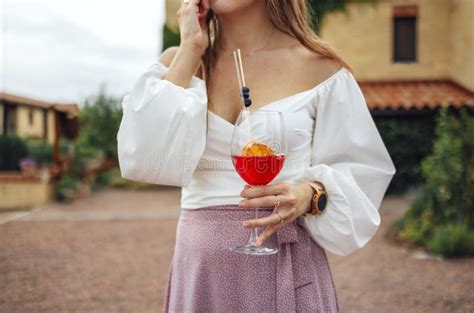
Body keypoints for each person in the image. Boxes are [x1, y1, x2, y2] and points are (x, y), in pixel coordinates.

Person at [116, 0, 396, 311]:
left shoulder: (320, 68)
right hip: (200, 277)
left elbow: (363, 171)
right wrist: (190, 50)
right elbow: (142, 157)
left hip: (283, 266)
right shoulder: (179, 62)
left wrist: (310, 193)